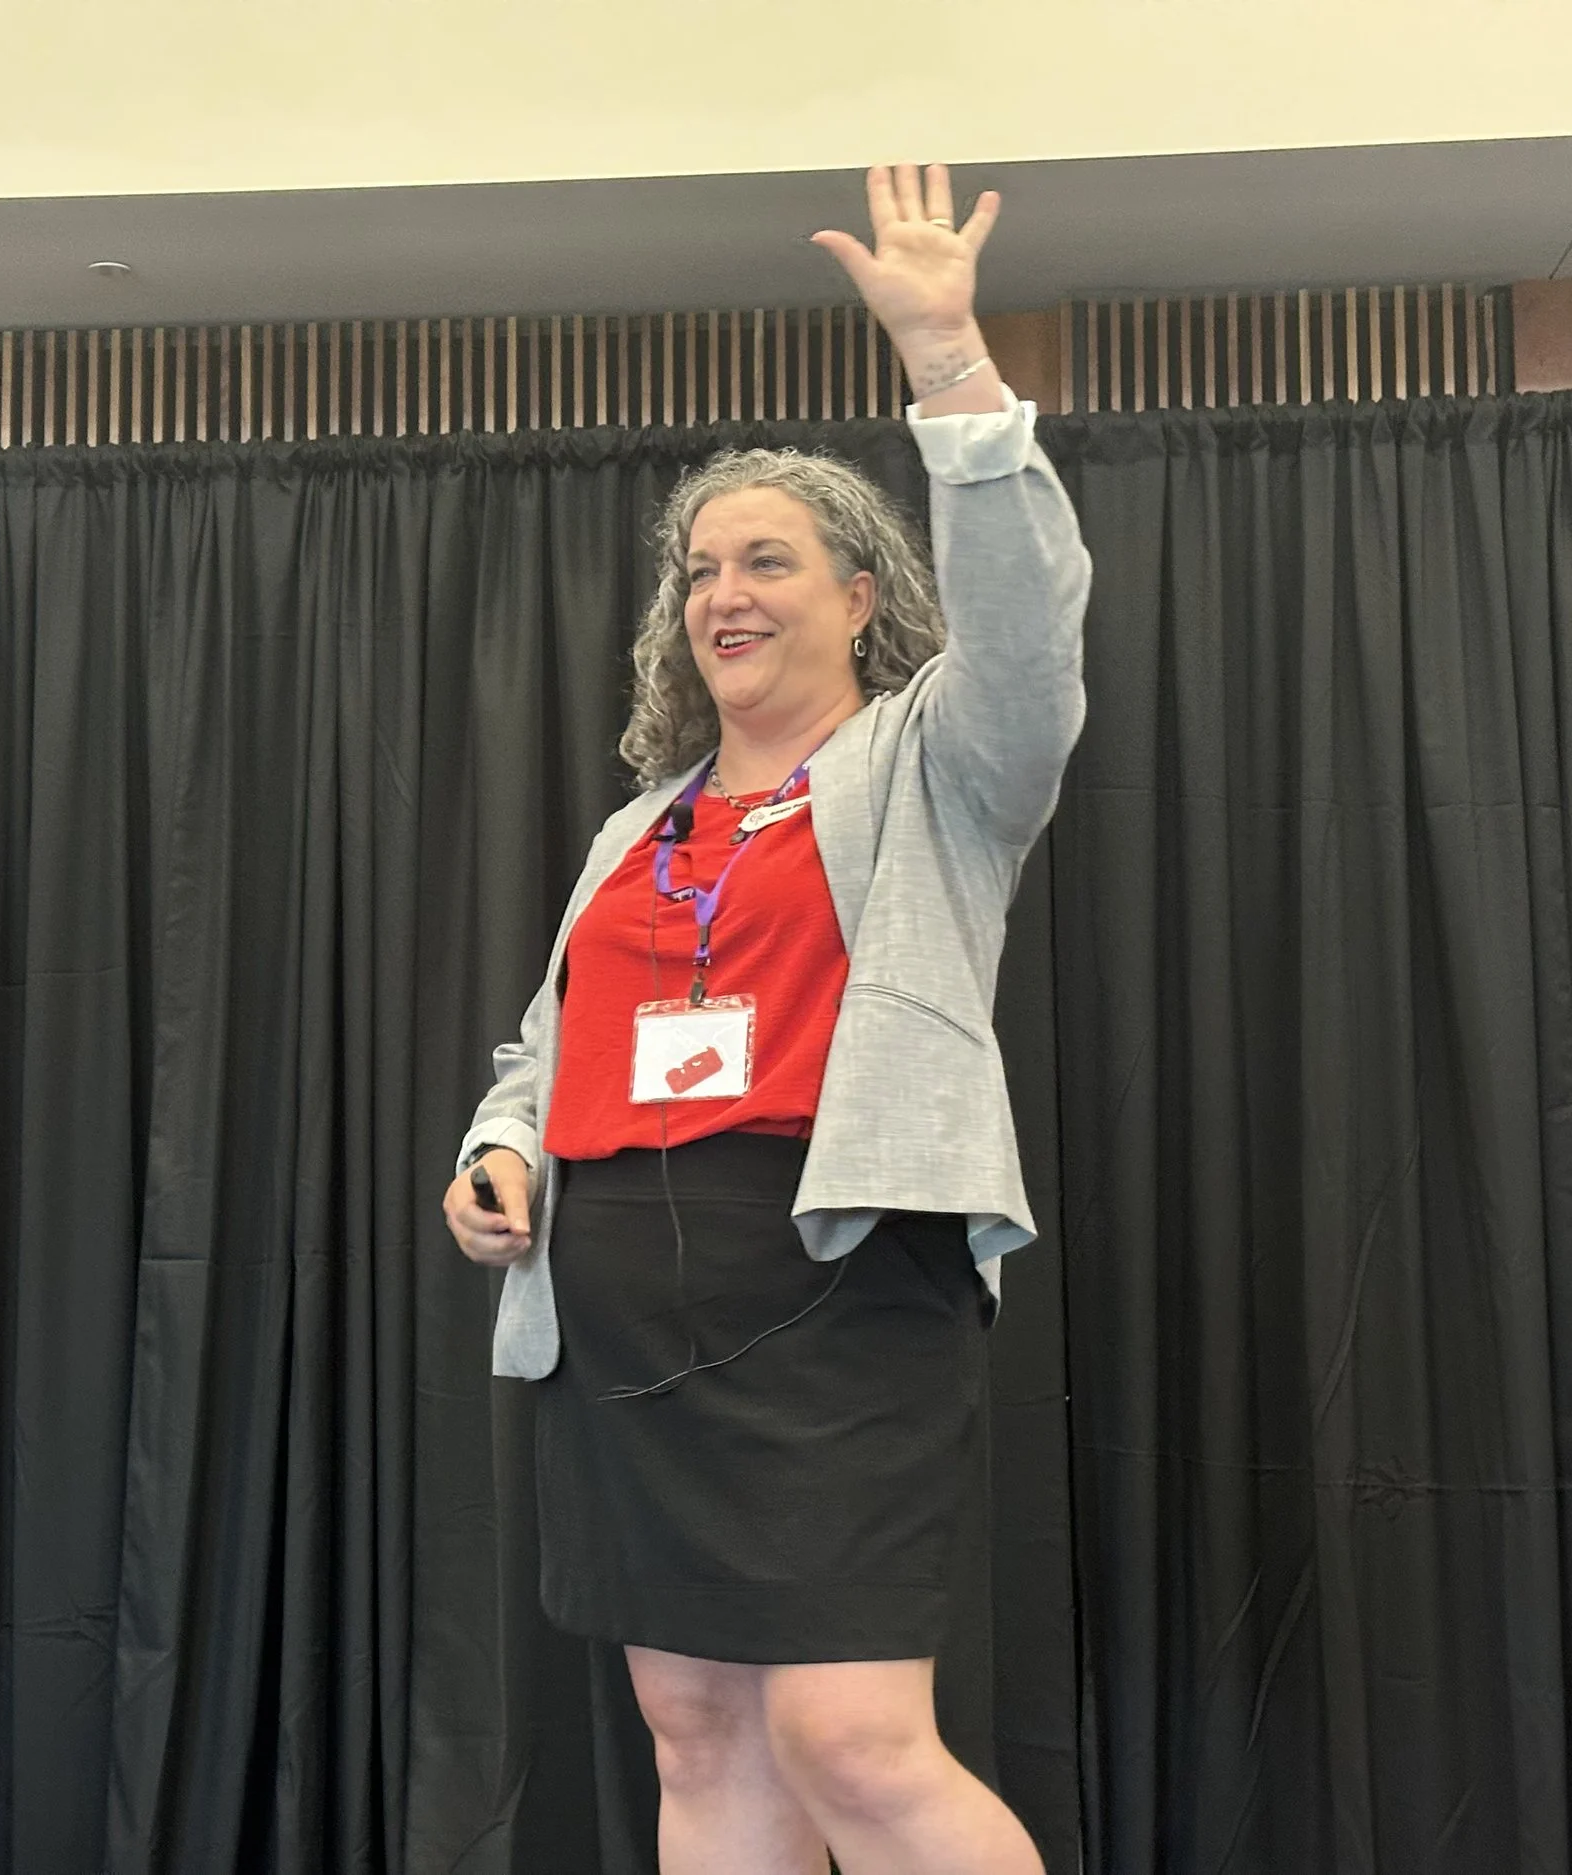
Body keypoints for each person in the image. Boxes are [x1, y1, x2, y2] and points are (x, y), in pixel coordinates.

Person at [442, 163, 1089, 1875]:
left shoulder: (933, 766)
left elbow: (1031, 641)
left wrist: (948, 361)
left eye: (772, 561)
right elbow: (547, 1041)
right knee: (699, 1728)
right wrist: (503, 1145)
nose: (724, 591)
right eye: (702, 567)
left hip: (833, 1278)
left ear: (861, 596)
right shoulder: (637, 829)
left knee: (851, 1738)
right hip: (627, 1309)